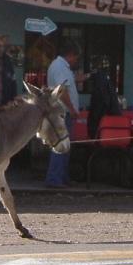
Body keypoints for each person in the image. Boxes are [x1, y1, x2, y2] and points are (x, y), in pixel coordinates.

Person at [45, 39, 81, 188]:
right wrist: (72, 109)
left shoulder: (62, 67)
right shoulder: (60, 67)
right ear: (71, 55)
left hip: (62, 113)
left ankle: (62, 176)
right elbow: (62, 91)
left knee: (65, 146)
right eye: (76, 57)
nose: (76, 60)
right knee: (60, 146)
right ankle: (54, 179)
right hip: (62, 113)